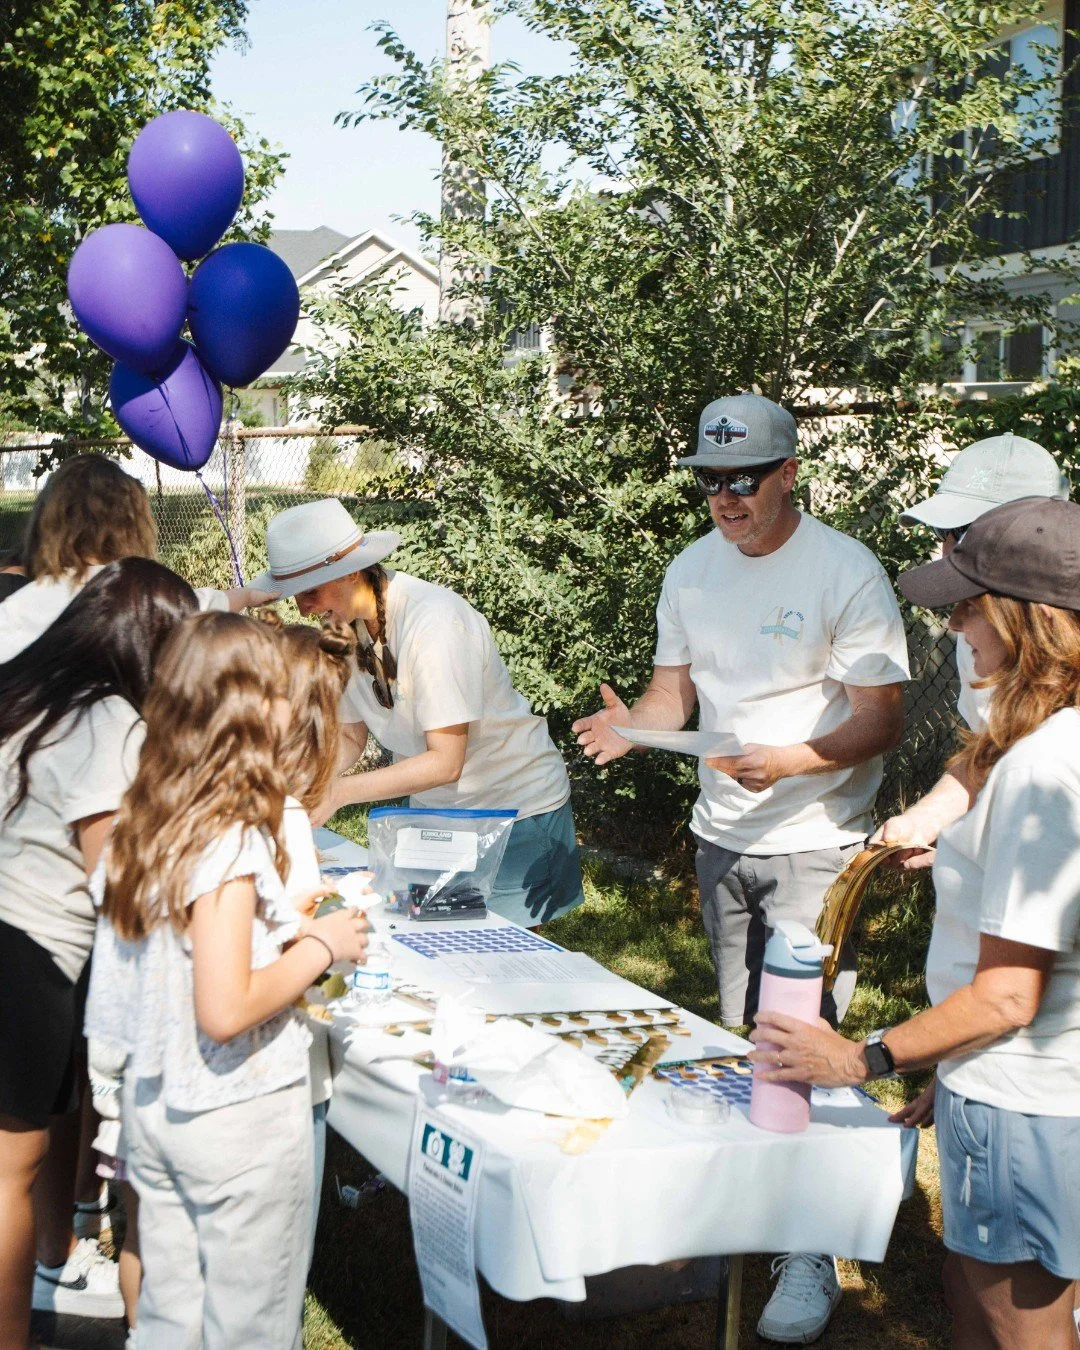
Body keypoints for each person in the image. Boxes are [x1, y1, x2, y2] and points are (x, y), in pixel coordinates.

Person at [572, 393, 910, 1344]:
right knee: (744, 1038)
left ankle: (812, 1250)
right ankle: (750, 1214)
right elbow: (672, 697)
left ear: (788, 473)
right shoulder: (691, 569)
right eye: (711, 480)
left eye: (744, 478)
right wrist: (635, 729)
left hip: (816, 836)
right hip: (723, 836)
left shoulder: (846, 569)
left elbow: (882, 719)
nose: (725, 497)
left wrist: (791, 761)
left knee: (805, 1042)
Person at [752, 496, 1080, 1350]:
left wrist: (862, 1057)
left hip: (1026, 1104)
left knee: (1020, 1327)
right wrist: (959, 1067)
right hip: (1008, 1083)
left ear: (1033, 623)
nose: (953, 626)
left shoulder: (1045, 770)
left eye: (968, 607)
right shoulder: (1042, 740)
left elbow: (1008, 996)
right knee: (967, 1296)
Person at [85, 611, 370, 1349]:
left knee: (170, 1320)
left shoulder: (145, 818)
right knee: (252, 1329)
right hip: (236, 1118)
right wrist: (323, 946)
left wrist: (279, 930)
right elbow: (224, 1006)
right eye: (275, 691)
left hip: (157, 1105)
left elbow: (171, 961)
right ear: (245, 705)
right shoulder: (229, 835)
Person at [0, 559, 197, 1347]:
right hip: (27, 954)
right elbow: (118, 880)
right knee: (10, 1173)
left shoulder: (26, 690)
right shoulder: (108, 721)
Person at [249, 498, 585, 927]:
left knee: (503, 952)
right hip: (436, 813)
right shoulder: (346, 631)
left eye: (310, 591)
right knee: (431, 941)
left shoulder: (435, 623)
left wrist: (338, 793)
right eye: (296, 595)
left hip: (514, 813)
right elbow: (350, 737)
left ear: (351, 571)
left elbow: (445, 762)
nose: (303, 609)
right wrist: (305, 779)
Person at [873, 432, 1070, 870]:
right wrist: (924, 820)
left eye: (965, 533)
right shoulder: (977, 633)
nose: (946, 550)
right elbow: (990, 749)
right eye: (944, 532)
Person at [268, 615, 362, 1260]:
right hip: (282, 1070)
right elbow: (318, 982)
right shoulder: (285, 816)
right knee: (279, 1251)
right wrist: (334, 938)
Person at [0, 454, 273, 663]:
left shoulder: (20, 602)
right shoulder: (139, 596)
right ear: (129, 525)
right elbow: (199, 604)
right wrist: (247, 595)